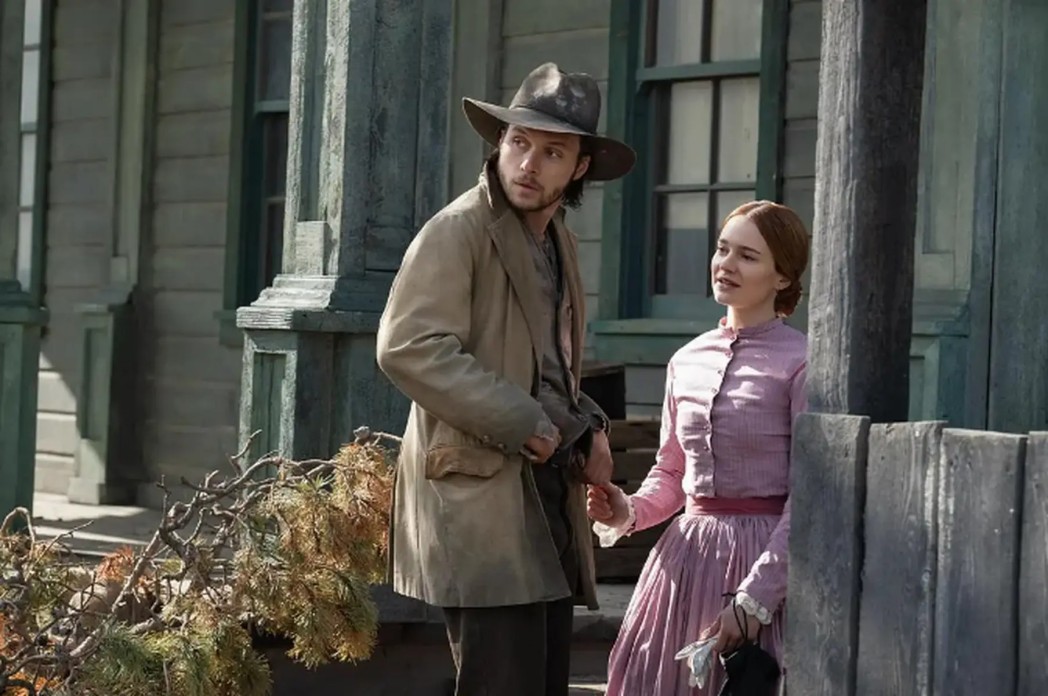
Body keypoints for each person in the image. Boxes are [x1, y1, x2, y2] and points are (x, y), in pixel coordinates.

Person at [375, 62, 636, 696]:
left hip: (545, 495)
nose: (528, 164)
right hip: (480, 498)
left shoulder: (558, 242)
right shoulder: (458, 230)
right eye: (519, 142)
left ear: (579, 168)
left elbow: (544, 364)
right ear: (500, 142)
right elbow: (408, 347)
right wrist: (526, 422)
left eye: (552, 152)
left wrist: (590, 426)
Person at [588, 201, 811, 696]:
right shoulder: (686, 360)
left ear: (782, 277)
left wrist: (755, 600)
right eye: (722, 249)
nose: (726, 265)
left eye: (747, 256)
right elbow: (672, 473)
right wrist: (628, 510)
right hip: (684, 566)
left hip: (765, 563)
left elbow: (809, 499)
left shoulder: (801, 362)